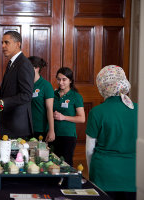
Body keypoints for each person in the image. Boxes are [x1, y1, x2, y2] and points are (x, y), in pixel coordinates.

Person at [86, 65, 137, 200]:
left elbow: (89, 150)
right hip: (133, 174)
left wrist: (92, 173)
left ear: (101, 86)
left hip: (103, 175)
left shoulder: (96, 112)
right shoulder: (139, 110)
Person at [52, 67, 85, 166]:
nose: (61, 82)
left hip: (67, 135)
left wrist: (64, 117)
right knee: (52, 163)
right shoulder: (53, 94)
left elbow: (82, 118)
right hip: (52, 134)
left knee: (66, 164)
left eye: (64, 79)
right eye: (58, 79)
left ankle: (67, 182)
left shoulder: (76, 96)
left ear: (70, 80)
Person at [28, 56, 55, 142]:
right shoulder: (25, 84)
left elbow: (49, 109)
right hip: (26, 127)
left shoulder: (46, 85)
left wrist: (51, 130)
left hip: (40, 129)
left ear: (37, 68)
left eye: (29, 67)